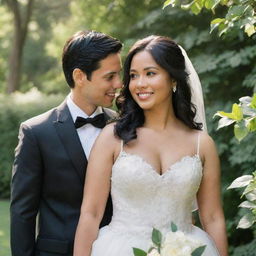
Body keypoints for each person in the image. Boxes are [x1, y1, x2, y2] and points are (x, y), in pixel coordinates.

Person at [73, 35, 229, 256]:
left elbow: (213, 217)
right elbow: (91, 213)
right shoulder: (112, 138)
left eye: (150, 73)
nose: (140, 84)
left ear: (174, 79)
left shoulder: (201, 144)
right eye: (134, 76)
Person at [10, 30, 122, 256]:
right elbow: (23, 212)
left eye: (119, 75)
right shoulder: (36, 132)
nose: (119, 84)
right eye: (109, 77)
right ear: (80, 76)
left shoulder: (123, 126)